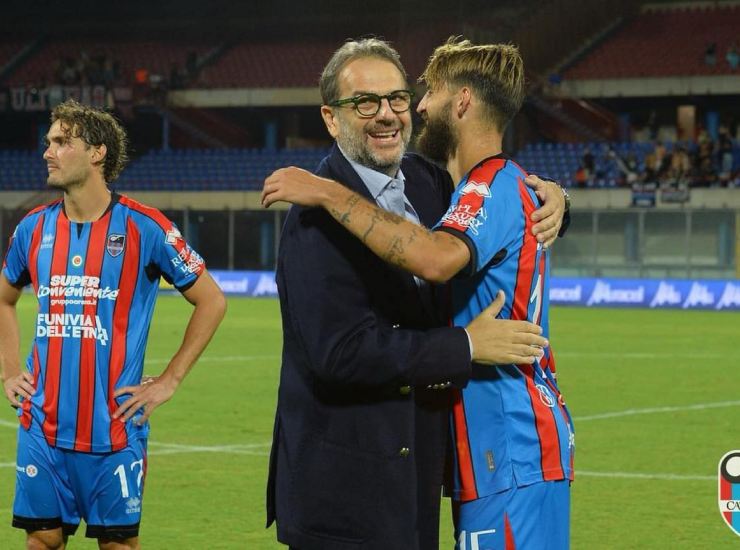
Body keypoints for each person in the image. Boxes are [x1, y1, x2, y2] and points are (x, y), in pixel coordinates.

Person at [263, 38, 574, 549]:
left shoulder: (429, 181)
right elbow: (339, 354)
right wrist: (466, 347)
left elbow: (499, 200)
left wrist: (558, 199)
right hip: (346, 498)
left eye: (398, 98)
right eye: (365, 102)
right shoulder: (313, 221)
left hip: (416, 485)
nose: (388, 114)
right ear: (330, 118)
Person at [0, 99, 226, 550]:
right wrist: (8, 370)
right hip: (42, 427)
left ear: (97, 152)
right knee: (41, 541)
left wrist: (169, 381)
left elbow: (212, 301)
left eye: (62, 141)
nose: (48, 151)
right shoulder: (32, 229)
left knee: (118, 546)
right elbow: (4, 299)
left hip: (115, 429)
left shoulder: (145, 227)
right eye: (48, 142)